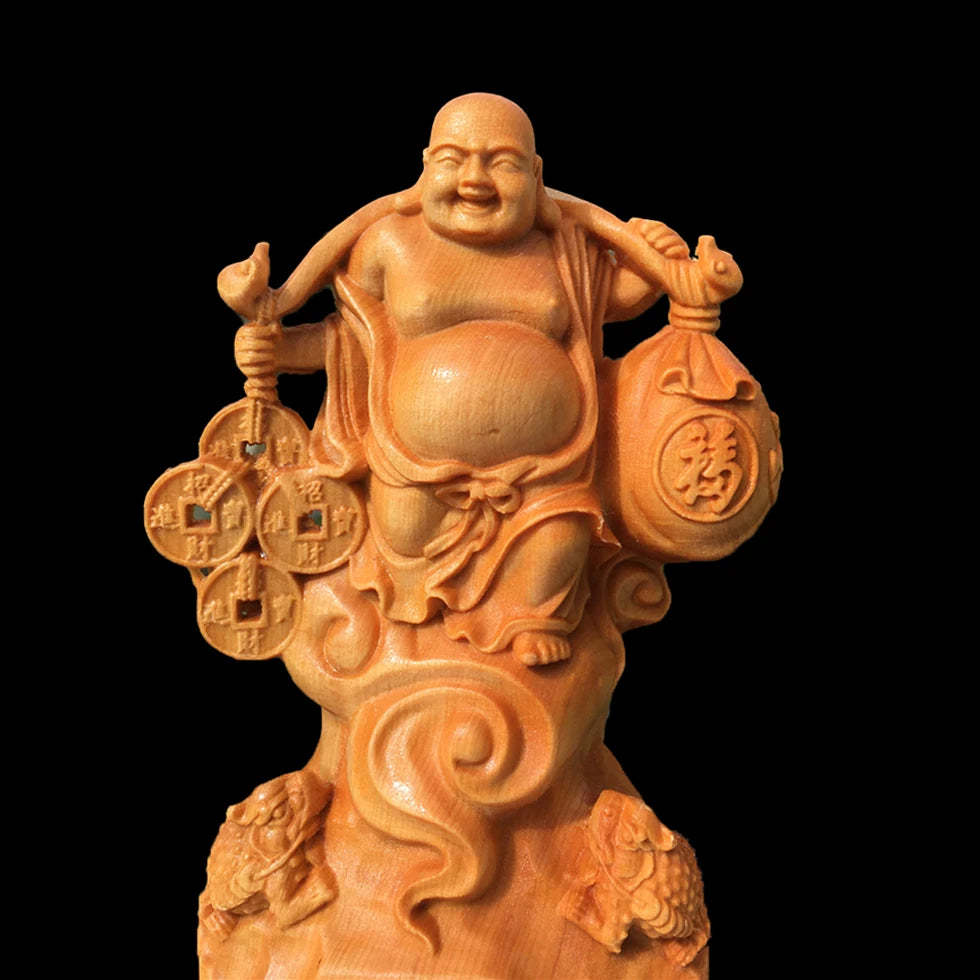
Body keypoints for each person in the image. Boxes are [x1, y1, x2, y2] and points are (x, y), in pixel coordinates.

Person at [248, 93, 688, 666]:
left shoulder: (562, 245)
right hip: (414, 468)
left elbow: (616, 299)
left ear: (536, 176)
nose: (475, 180)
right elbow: (349, 340)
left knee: (560, 543)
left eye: (501, 162)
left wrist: (655, 264)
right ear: (425, 166)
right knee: (402, 539)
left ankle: (532, 621)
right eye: (453, 160)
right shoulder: (390, 241)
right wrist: (278, 351)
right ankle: (410, 633)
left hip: (543, 476)